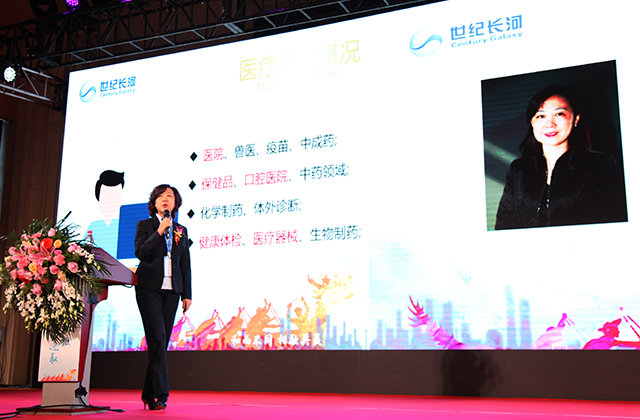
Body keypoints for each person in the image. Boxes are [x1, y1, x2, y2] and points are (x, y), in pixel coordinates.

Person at [495, 84, 627, 229]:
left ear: (576, 119)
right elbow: (504, 224)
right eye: (541, 116)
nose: (550, 124)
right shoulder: (519, 169)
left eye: (559, 114)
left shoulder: (600, 164)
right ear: (532, 122)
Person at [134, 184, 192, 410]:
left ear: (176, 203)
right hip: (148, 289)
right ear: (154, 203)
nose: (165, 199)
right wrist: (159, 231)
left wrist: (187, 294)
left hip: (172, 291)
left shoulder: (181, 230)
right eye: (161, 196)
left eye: (170, 196)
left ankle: (148, 394)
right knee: (157, 339)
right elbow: (141, 252)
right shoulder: (145, 225)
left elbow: (185, 264)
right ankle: (161, 393)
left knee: (161, 342)